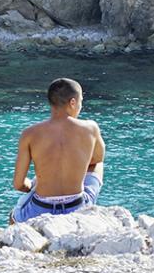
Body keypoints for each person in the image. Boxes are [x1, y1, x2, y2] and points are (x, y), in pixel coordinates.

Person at [10, 78, 106, 223]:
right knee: (98, 164)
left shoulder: (29, 134)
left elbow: (18, 184)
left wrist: (32, 184)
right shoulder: (90, 128)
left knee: (13, 216)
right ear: (73, 102)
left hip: (40, 209)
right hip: (76, 206)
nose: (80, 106)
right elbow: (97, 159)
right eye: (81, 102)